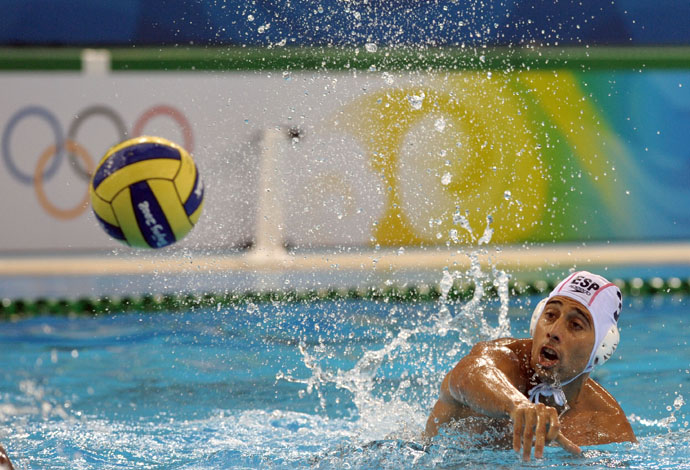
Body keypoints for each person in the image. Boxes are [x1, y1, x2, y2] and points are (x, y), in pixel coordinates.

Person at [424, 271, 636, 460]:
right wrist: (516, 405)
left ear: (602, 347)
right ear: (536, 319)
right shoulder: (505, 360)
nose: (553, 331)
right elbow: (468, 373)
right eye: (550, 315)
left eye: (575, 325)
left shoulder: (609, 427)